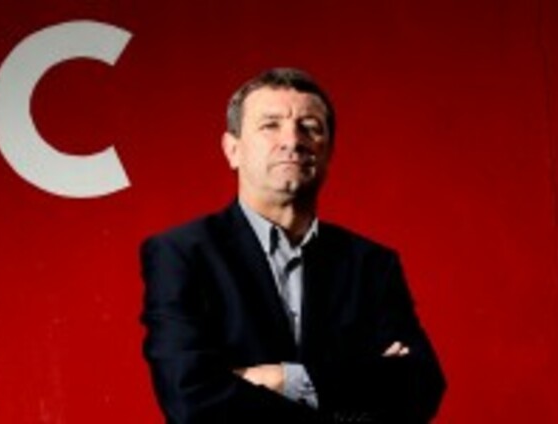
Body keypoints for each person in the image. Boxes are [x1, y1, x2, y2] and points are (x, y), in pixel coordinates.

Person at [140, 68, 446, 424]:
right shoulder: (181, 254)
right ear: (233, 149)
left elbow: (420, 386)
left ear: (329, 151)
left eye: (310, 127)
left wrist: (284, 379)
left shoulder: (372, 264)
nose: (293, 141)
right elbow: (190, 400)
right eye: (270, 125)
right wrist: (358, 384)